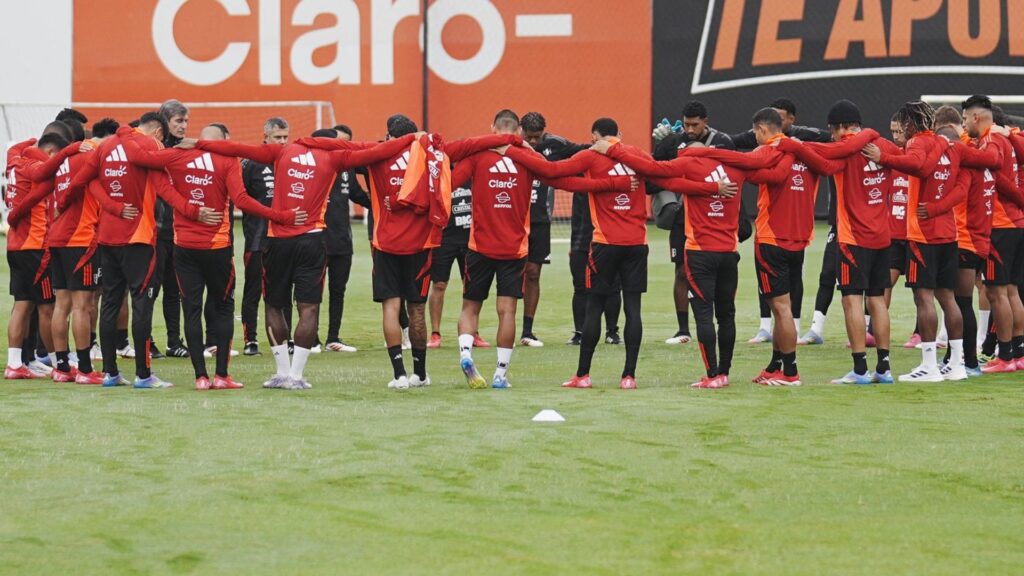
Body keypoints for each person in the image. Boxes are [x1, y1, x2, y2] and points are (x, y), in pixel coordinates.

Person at [181, 122, 420, 390]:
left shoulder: (283, 151)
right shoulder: (334, 156)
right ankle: (296, 376)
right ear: (329, 141)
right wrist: (411, 138)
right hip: (312, 240)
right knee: (309, 307)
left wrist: (201, 143)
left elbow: (239, 148)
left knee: (273, 305)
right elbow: (376, 152)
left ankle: (281, 373)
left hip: (278, 241)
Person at [300, 114, 513, 389]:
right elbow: (471, 144)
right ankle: (420, 374)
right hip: (421, 246)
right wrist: (509, 138)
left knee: (391, 308)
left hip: (386, 245)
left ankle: (399, 374)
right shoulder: (433, 153)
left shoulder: (377, 154)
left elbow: (341, 148)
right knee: (416, 310)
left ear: (390, 135)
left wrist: (303, 143)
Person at [453, 110, 634, 389]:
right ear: (519, 132)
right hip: (514, 249)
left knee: (470, 307)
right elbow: (564, 179)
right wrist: (612, 183)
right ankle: (500, 374)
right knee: (507, 311)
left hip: (479, 245)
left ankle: (466, 354)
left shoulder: (477, 156)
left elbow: (449, 183)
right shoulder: (528, 158)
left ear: (493, 128)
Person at [121, 122, 304, 389]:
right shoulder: (227, 159)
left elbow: (144, 165)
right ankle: (221, 375)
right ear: (219, 142)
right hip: (217, 248)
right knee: (223, 308)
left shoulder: (176, 156)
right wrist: (281, 216)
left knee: (191, 309)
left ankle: (200, 377)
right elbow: (241, 201)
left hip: (184, 247)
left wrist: (125, 131)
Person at [508, 118, 689, 389]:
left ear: (594, 135)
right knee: (633, 309)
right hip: (637, 244)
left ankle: (583, 375)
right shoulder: (636, 155)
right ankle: (629, 376)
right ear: (620, 134)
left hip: (604, 244)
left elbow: (553, 171)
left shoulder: (591, 156)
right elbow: (661, 172)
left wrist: (515, 152)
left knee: (593, 307)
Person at [599, 135, 773, 388]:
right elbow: (766, 169)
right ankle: (724, 373)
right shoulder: (736, 166)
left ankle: (712, 375)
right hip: (729, 253)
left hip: (700, 252)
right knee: (727, 315)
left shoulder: (690, 164)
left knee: (703, 315)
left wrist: (614, 149)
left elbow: (652, 169)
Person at [64, 112, 216, 388]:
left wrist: (110, 206)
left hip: (107, 239)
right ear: (158, 131)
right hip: (139, 239)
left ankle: (110, 373)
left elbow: (85, 181)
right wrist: (193, 211)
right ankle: (143, 375)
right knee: (142, 304)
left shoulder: (106, 146)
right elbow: (164, 188)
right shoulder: (150, 147)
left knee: (109, 303)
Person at [775, 100, 892, 384]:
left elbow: (822, 158)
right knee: (877, 300)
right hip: (883, 235)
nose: (833, 135)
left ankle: (860, 369)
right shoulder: (884, 146)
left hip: (853, 237)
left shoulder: (844, 151)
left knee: (851, 300)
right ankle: (884, 368)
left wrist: (790, 145)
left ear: (839, 127)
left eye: (833, 129)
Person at [865, 101, 967, 381]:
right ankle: (957, 365)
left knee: (923, 298)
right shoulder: (948, 145)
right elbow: (963, 181)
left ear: (910, 124)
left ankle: (930, 366)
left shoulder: (919, 144)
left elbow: (917, 166)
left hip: (923, 234)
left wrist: (882, 157)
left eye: (902, 125)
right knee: (948, 298)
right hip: (949, 232)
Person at [732, 98, 831, 345]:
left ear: (762, 130)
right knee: (791, 292)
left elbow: (745, 168)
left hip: (771, 236)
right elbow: (829, 162)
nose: (754, 137)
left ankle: (784, 364)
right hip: (801, 236)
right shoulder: (810, 151)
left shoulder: (765, 152)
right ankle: (787, 345)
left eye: (755, 132)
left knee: (778, 305)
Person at [517, 112, 589, 347]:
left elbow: (584, 151)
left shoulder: (555, 144)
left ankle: (528, 331)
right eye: (530, 137)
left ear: (544, 132)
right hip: (512, 220)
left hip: (540, 221)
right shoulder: (509, 146)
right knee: (506, 275)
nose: (534, 142)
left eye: (538, 137)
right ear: (520, 131)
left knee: (533, 273)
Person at [4, 133, 65, 379]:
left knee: (22, 305)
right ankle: (59, 364)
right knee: (47, 308)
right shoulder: (37, 166)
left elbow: (14, 149)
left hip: (15, 245)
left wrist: (29, 141)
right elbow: (44, 173)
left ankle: (15, 364)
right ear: (50, 152)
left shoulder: (14, 160)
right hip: (36, 246)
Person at [240, 117, 290, 356]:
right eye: (277, 137)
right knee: (252, 291)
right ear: (266, 138)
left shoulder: (291, 163)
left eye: (285, 137)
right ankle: (251, 341)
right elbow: (239, 198)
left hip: (284, 240)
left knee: (283, 291)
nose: (282, 141)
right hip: (257, 239)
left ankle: (286, 339)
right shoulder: (251, 165)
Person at [320, 124, 372, 352]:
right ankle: (308, 339)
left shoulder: (347, 169)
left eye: (345, 143)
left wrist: (385, 204)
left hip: (342, 239)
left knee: (338, 290)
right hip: (317, 239)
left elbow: (358, 195)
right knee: (311, 293)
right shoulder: (315, 167)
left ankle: (333, 337)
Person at [149, 99, 191, 359]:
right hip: (154, 231)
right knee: (149, 291)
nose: (184, 126)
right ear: (165, 122)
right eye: (179, 121)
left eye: (186, 121)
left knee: (175, 290)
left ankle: (174, 341)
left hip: (178, 232)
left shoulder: (187, 150)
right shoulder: (153, 150)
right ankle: (146, 341)